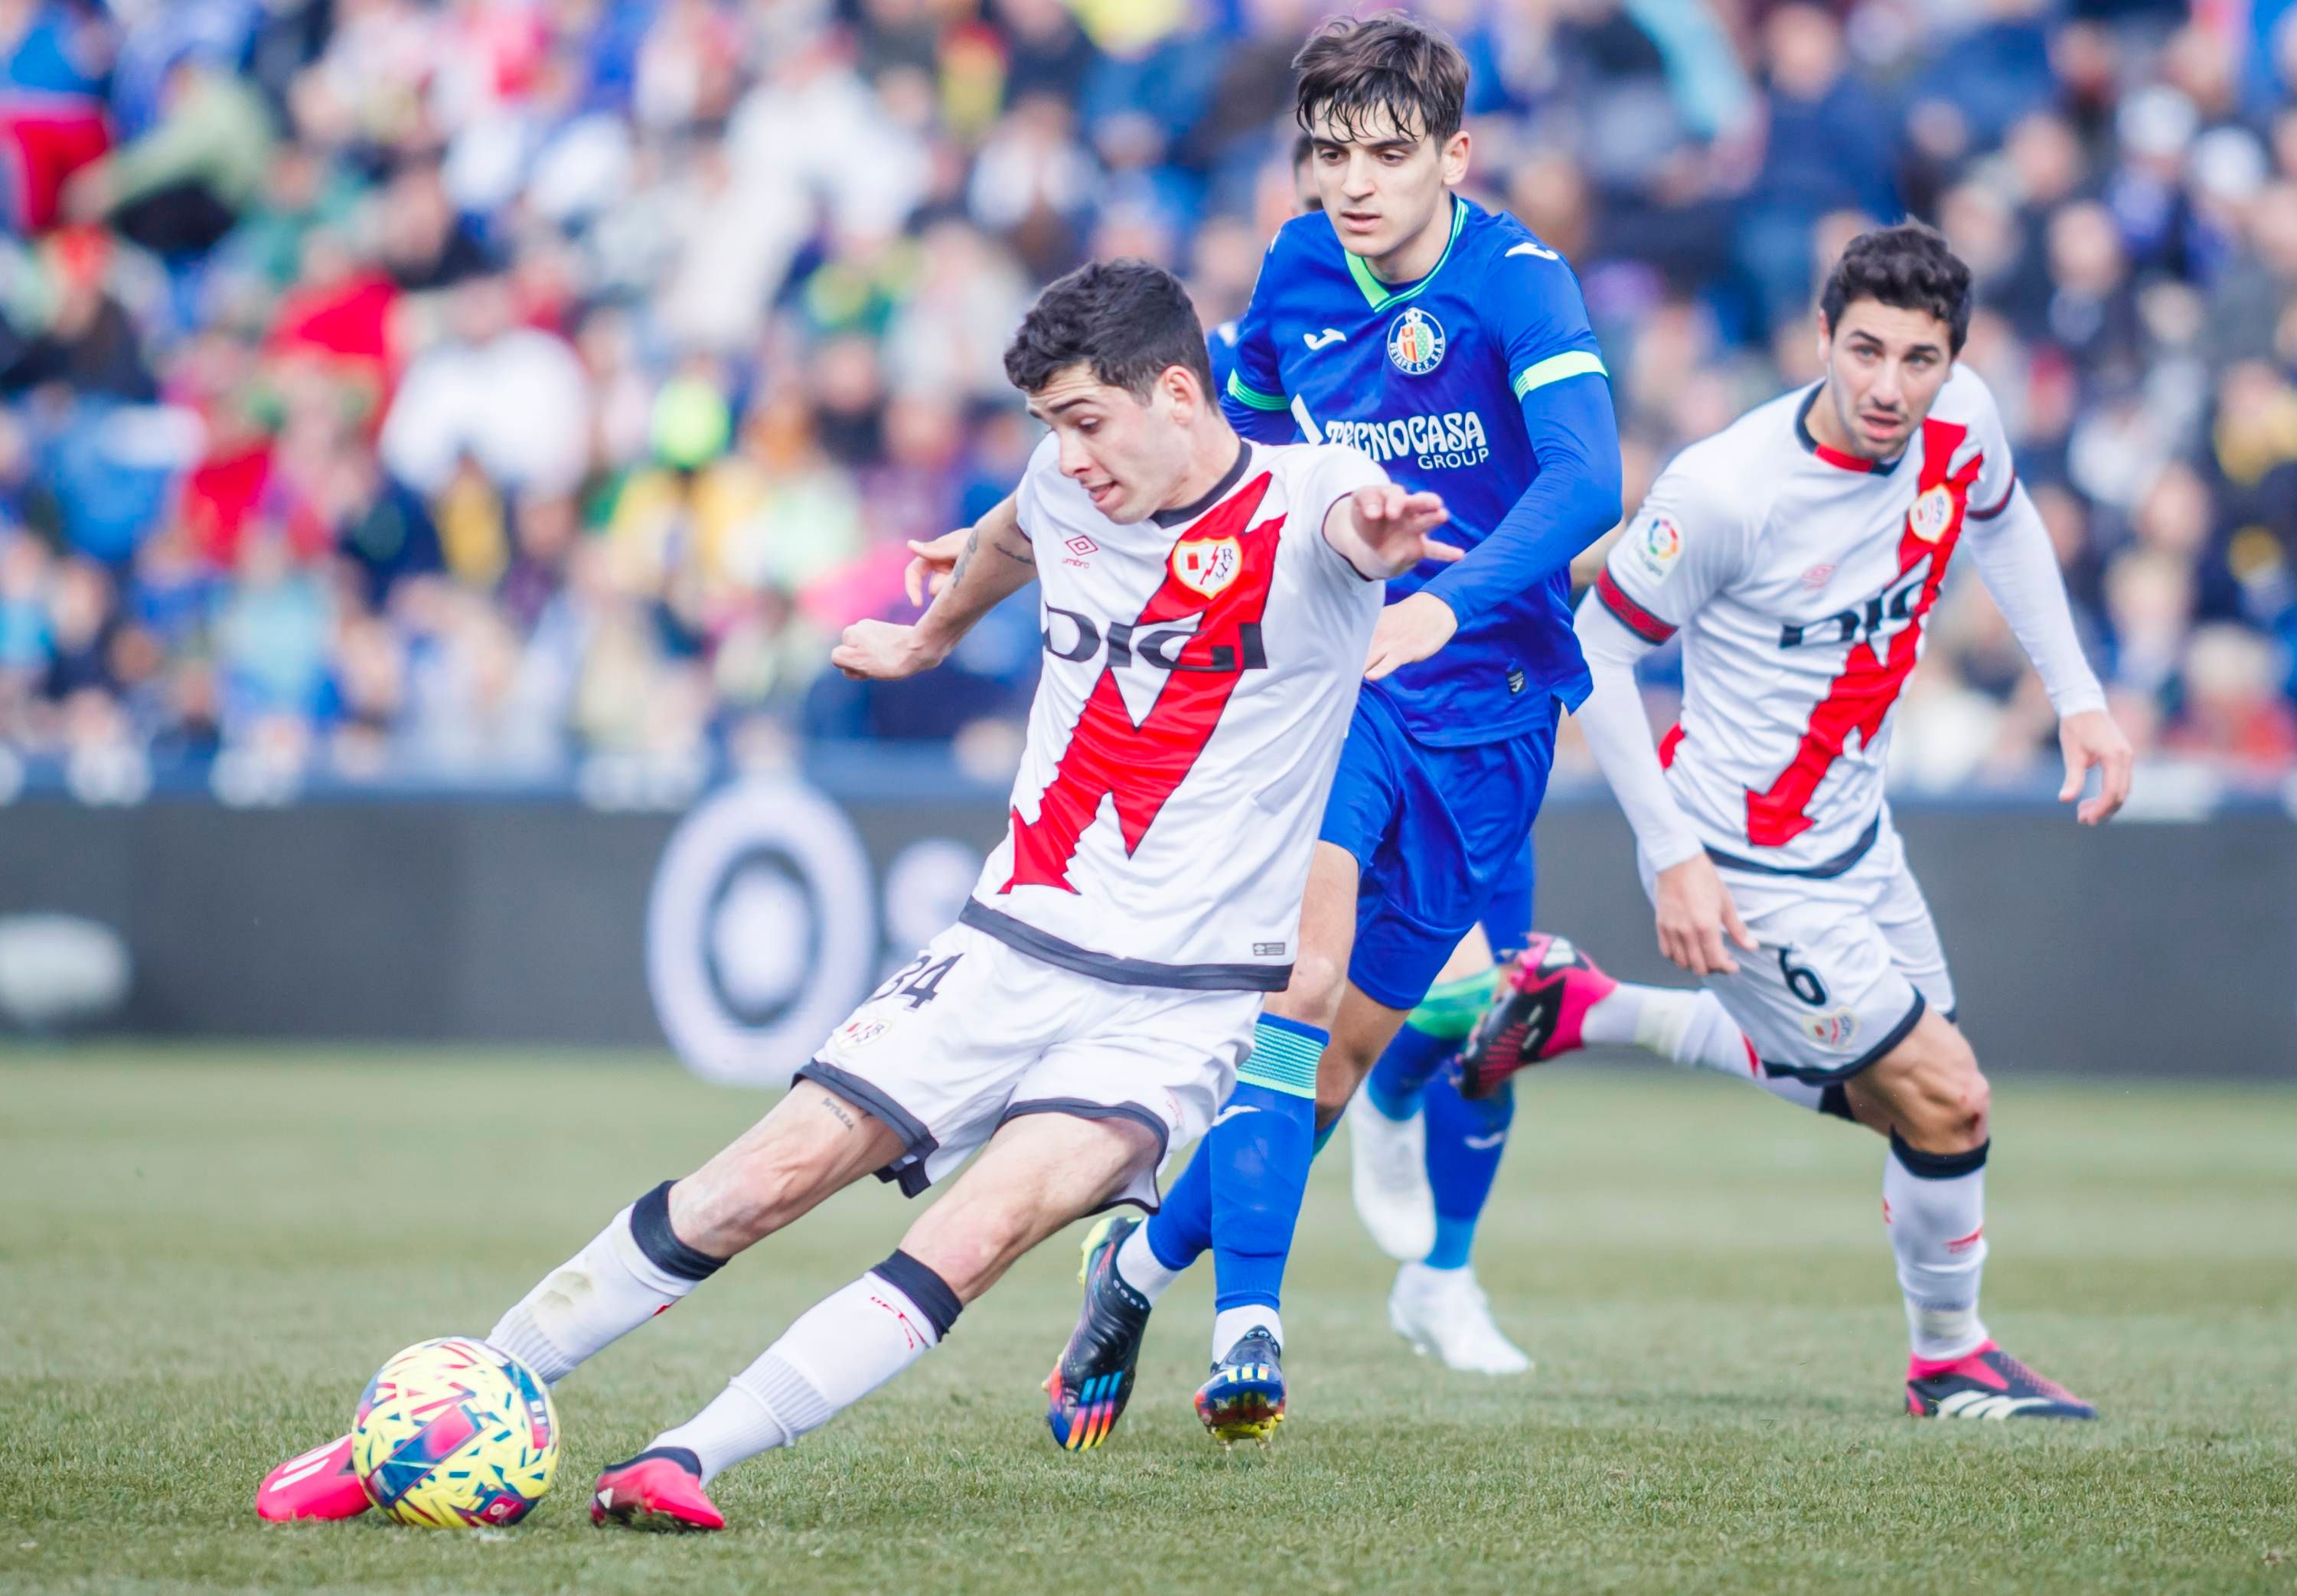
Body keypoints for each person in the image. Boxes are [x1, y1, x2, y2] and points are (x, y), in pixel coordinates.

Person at [252, 257, 1460, 1529]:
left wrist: (1380, 543)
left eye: (1087, 422)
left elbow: (1354, 519)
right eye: (1050, 426)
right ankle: (414, 1426)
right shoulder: (1065, 481)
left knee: (979, 1232)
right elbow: (1013, 526)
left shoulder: (1311, 494)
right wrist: (931, 630)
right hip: (1011, 943)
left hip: (1184, 1002)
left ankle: (688, 1458)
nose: (1070, 455)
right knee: (751, 1184)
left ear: (1176, 390)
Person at [1048, 13, 1621, 1441]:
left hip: (1488, 719)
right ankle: (1251, 1332)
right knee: (1294, 994)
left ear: (1454, 155)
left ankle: (1136, 1265)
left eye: (1384, 152)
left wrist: (1459, 600)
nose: (1351, 181)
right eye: (1327, 153)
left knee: (1337, 1065)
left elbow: (1589, 480)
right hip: (1334, 685)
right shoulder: (1298, 269)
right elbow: (1230, 450)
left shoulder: (1520, 287)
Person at [1459, 223, 2132, 1420]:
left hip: (1856, 832)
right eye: (1863, 350)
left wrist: (2078, 701)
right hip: (1742, 854)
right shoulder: (1725, 489)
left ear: (1952, 362)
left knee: (1899, 1099)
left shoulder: (1962, 422)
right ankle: (1949, 1360)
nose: (1887, 386)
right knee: (1946, 1097)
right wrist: (1672, 857)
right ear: (1819, 337)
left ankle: (1585, 1007)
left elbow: (2005, 517)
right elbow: (1596, 653)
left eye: (1918, 360)